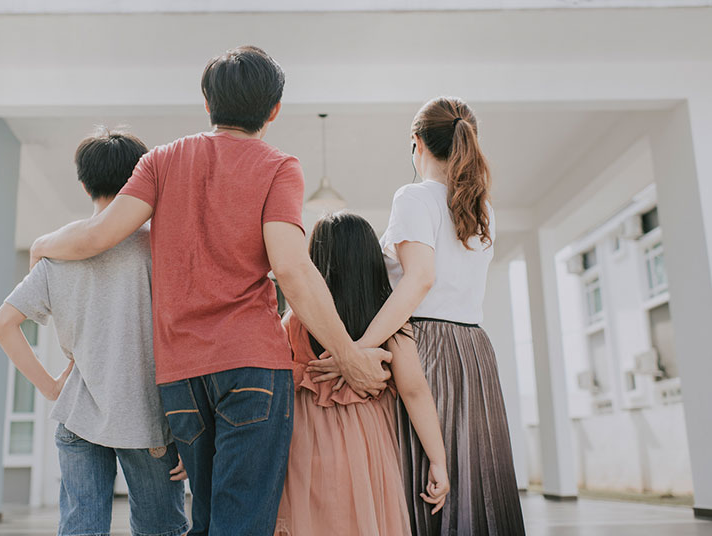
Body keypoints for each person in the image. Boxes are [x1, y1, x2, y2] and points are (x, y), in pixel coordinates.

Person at [27, 45, 391, 536]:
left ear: (206, 103)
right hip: (251, 366)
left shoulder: (160, 161)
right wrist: (348, 355)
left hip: (180, 375)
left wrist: (44, 243)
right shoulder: (279, 166)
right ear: (274, 110)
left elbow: (98, 236)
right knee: (241, 521)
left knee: (204, 519)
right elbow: (292, 267)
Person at [310, 96, 526, 535]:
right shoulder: (484, 210)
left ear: (417, 142)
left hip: (425, 347)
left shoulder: (413, 197)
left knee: (424, 482)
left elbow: (419, 280)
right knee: (475, 474)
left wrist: (357, 350)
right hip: (475, 352)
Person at [0, 128, 189, 536]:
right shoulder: (161, 248)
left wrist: (48, 387)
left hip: (79, 413)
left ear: (84, 185)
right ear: (141, 179)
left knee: (80, 529)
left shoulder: (57, 256)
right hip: (149, 418)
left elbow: (2, 324)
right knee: (161, 530)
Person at [275, 212, 449, 536]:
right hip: (370, 451)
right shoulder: (390, 323)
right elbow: (415, 392)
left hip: (304, 447)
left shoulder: (295, 321)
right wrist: (437, 460)